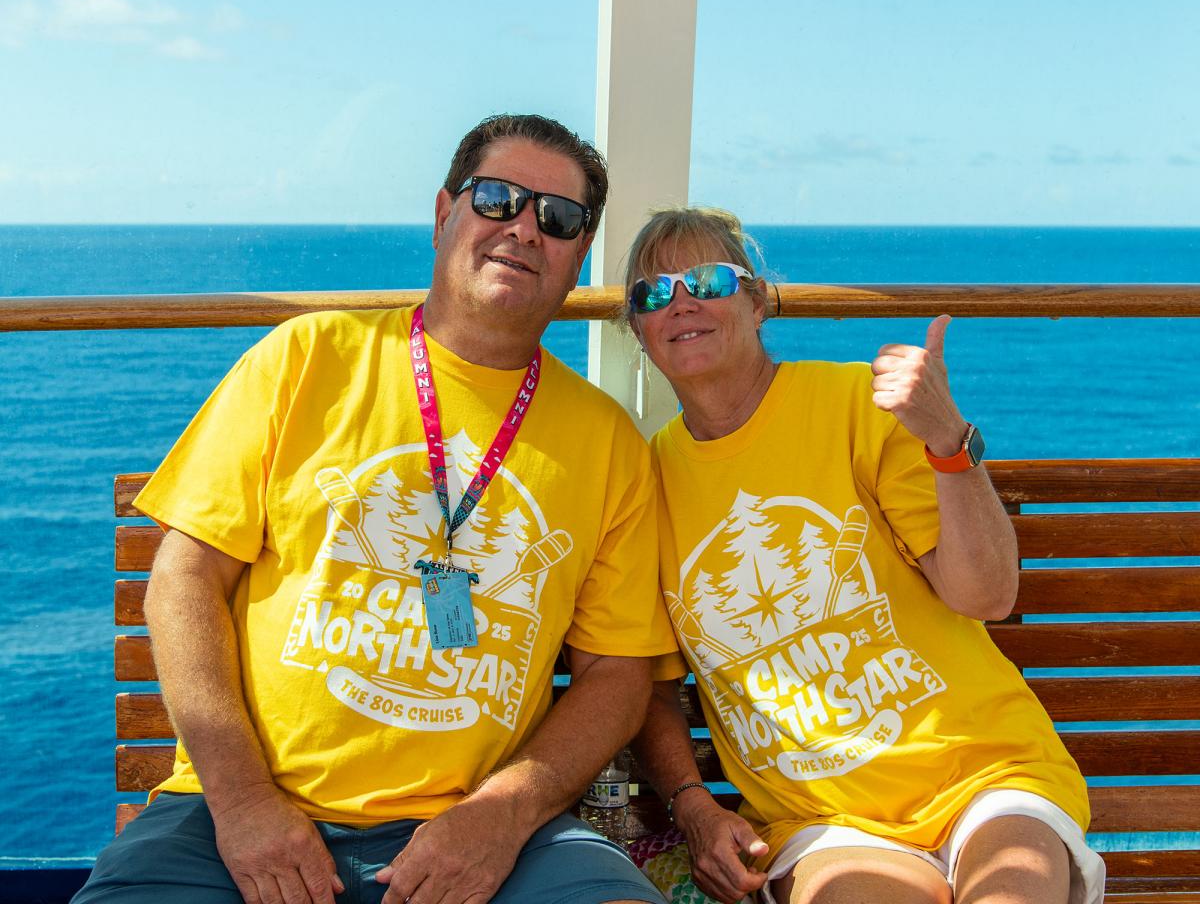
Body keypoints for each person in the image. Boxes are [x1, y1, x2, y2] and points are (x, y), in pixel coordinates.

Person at [74, 114, 678, 904]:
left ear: (578, 253)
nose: (525, 229)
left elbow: (618, 674)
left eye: (558, 217)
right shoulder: (305, 359)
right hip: (238, 812)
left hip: (482, 825)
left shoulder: (607, 443)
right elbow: (184, 578)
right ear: (444, 213)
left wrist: (504, 812)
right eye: (497, 199)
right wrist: (244, 803)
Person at [624, 207, 1105, 904]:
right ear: (639, 333)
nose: (682, 302)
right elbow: (650, 685)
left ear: (757, 303)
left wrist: (946, 441)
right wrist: (694, 806)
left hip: (986, 775)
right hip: (825, 824)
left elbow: (987, 595)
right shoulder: (646, 487)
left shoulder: (855, 406)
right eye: (653, 293)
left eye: (707, 280)